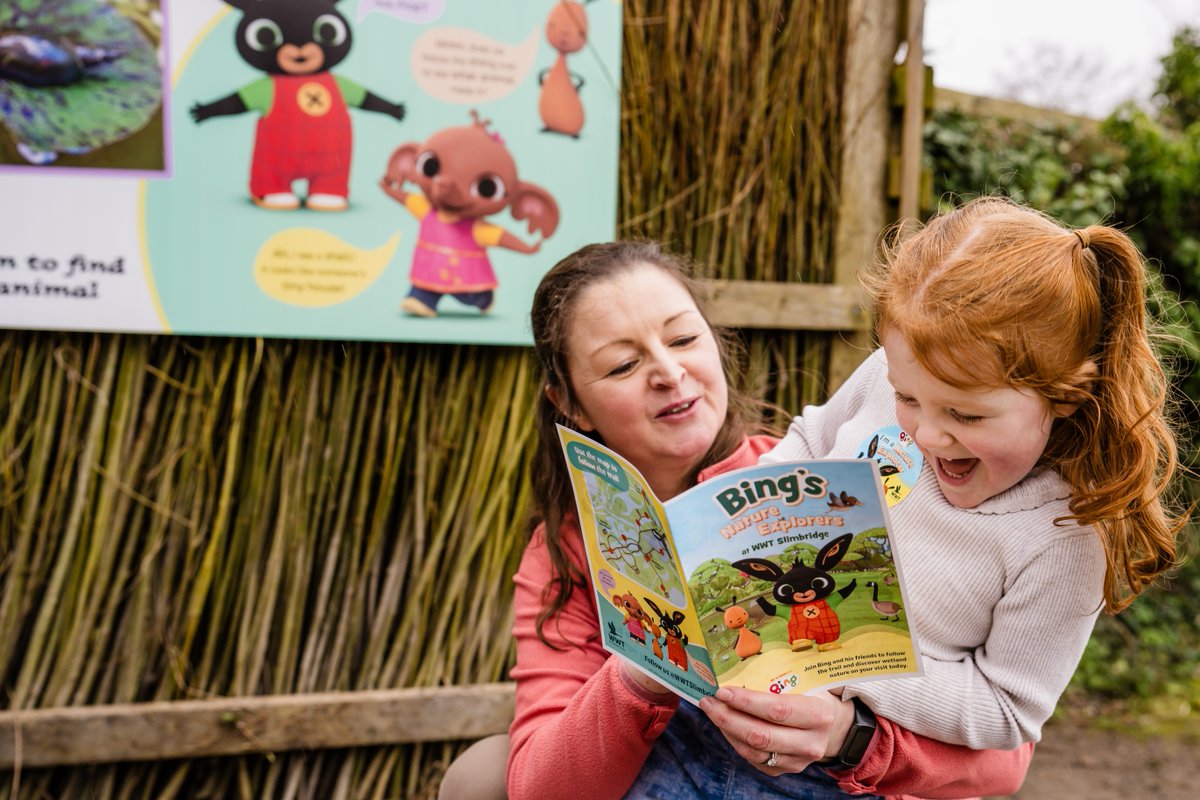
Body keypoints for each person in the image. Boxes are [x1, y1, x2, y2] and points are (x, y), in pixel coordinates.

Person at [441, 240, 1035, 800]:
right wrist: (645, 670)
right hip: (672, 775)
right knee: (482, 774)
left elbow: (1005, 758)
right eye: (623, 365)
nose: (669, 373)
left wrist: (850, 736)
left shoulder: (816, 488)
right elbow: (542, 789)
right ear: (570, 404)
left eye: (683, 339)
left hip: (834, 772)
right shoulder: (568, 550)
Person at [745, 196, 1187, 751]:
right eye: (908, 398)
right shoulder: (897, 372)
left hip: (859, 772)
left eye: (966, 414)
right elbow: (812, 440)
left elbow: (1007, 709)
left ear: (1067, 394)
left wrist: (850, 662)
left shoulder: (1065, 535)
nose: (926, 434)